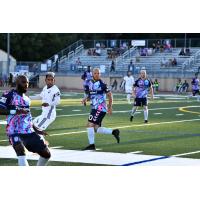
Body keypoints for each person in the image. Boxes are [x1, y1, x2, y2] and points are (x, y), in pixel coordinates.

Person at [0, 75, 51, 166]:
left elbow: (28, 117)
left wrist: (36, 129)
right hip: (14, 131)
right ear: (17, 83)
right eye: (23, 82)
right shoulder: (9, 95)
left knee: (46, 154)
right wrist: (15, 111)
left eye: (27, 82)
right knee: (21, 152)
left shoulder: (27, 99)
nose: (26, 84)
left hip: (28, 131)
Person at [82, 68, 120, 150]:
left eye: (98, 73)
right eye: (95, 73)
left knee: (89, 125)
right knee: (96, 128)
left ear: (100, 74)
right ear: (92, 74)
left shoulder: (102, 84)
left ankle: (92, 145)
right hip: (94, 108)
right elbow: (91, 95)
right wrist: (85, 99)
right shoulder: (90, 83)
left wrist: (110, 107)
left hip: (100, 108)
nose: (97, 74)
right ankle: (114, 132)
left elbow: (110, 95)